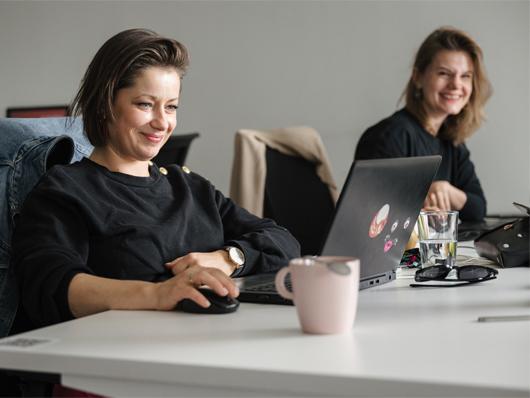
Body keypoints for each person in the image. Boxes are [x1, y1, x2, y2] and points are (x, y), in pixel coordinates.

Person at [11, 28, 300, 332]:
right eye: (145, 104)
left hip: (212, 346)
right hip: (119, 361)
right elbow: (50, 284)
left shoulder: (187, 186)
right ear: (106, 104)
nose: (162, 122)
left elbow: (282, 242)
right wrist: (158, 294)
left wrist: (227, 259)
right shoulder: (65, 190)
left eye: (171, 106)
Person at [355, 27, 492, 221]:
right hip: (402, 252)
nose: (456, 85)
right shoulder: (388, 137)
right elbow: (375, 221)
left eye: (465, 76)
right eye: (444, 73)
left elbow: (478, 209)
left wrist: (447, 190)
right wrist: (422, 196)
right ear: (418, 77)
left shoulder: (452, 141)